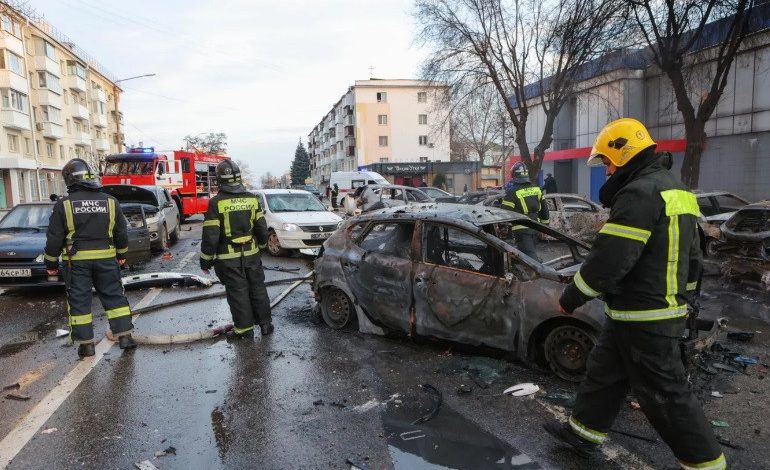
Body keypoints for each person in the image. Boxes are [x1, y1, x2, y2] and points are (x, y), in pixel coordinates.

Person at [543, 118, 725, 470]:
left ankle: (708, 464)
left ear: (624, 153)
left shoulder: (640, 193)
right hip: (638, 311)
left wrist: (572, 297)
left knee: (664, 394)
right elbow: (693, 258)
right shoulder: (677, 191)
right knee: (604, 373)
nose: (608, 169)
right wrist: (683, 299)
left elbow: (611, 258)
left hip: (646, 315)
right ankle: (582, 435)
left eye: (609, 161)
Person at [44, 158, 136, 357]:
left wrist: (50, 263)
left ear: (69, 179)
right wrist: (121, 255)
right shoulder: (111, 202)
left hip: (76, 262)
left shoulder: (64, 204)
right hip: (107, 258)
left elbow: (54, 238)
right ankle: (126, 337)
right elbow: (121, 233)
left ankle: (86, 345)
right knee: (114, 296)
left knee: (80, 301)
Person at [200, 160, 273, 339]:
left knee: (238, 293)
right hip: (252, 255)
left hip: (229, 259)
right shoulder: (252, 199)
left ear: (219, 180)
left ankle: (244, 330)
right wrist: (261, 247)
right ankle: (265, 325)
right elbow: (262, 228)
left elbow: (211, 235)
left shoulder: (216, 203)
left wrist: (206, 259)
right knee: (258, 289)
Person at [500, 162, 549, 260]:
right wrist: (545, 229)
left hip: (521, 230)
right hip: (536, 227)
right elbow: (545, 211)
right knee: (530, 253)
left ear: (514, 175)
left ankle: (541, 273)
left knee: (529, 258)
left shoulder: (512, 192)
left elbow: (504, 214)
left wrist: (501, 227)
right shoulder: (537, 189)